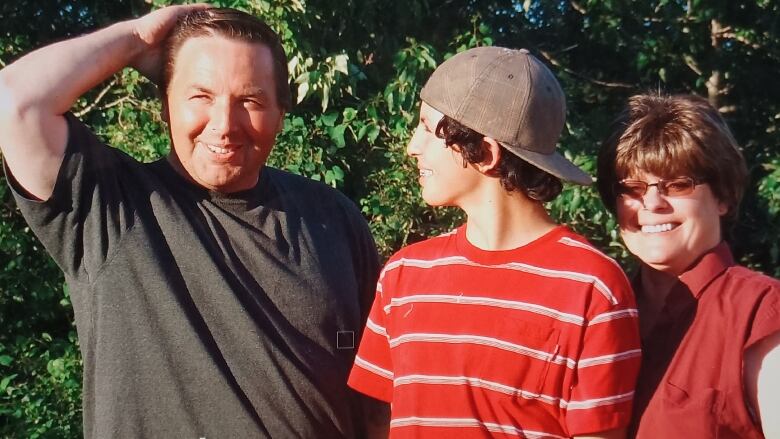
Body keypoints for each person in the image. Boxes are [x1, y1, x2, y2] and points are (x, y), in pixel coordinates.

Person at [0, 6, 388, 438]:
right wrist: (135, 40)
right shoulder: (108, 208)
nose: (224, 125)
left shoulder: (333, 218)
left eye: (251, 100)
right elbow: (15, 101)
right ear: (165, 106)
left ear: (281, 112)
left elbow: (377, 394)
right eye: (200, 96)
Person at [348, 46, 641, 438]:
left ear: (484, 153)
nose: (411, 147)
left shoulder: (593, 287)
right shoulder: (403, 275)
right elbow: (379, 421)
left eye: (424, 127)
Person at [597, 93, 780, 438]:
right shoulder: (599, 310)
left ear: (723, 196)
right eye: (632, 188)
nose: (651, 203)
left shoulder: (761, 312)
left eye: (678, 184)